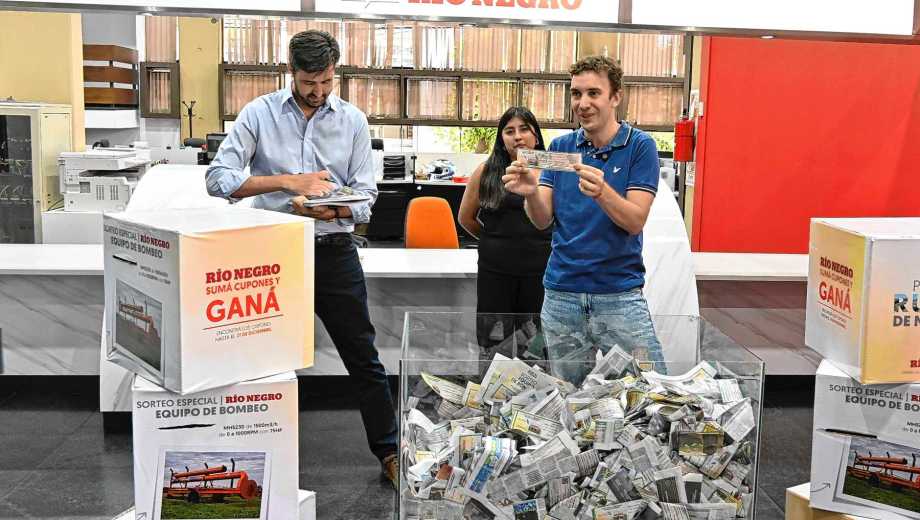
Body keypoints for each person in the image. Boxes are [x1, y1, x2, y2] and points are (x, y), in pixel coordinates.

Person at [205, 30, 398, 487]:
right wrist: (288, 182)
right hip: (272, 253)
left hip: (333, 251)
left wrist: (333, 210)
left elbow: (366, 198)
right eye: (310, 82)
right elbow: (218, 179)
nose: (318, 91)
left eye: (327, 81)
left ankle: (390, 452)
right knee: (257, 359)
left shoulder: (353, 121)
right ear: (290, 71)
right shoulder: (259, 113)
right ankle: (249, 459)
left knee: (363, 356)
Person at [502, 55, 664, 384]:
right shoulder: (561, 148)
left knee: (651, 387)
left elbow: (635, 221)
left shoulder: (640, 146)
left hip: (619, 295)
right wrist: (531, 193)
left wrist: (602, 192)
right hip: (561, 296)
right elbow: (542, 220)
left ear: (615, 97)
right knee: (569, 394)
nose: (583, 103)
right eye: (576, 94)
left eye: (593, 93)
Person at [458, 107, 552, 354]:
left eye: (524, 129)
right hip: (495, 272)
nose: (517, 136)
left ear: (536, 136)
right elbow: (465, 218)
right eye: (509, 131)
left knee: (534, 345)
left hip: (540, 272)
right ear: (502, 139)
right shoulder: (486, 171)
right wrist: (493, 240)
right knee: (493, 343)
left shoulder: (551, 172)